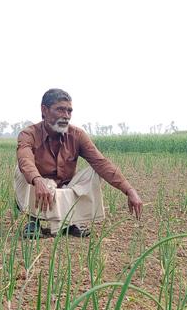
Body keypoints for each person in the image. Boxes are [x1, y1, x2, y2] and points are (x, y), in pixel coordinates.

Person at [15, 88, 144, 238]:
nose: (66, 116)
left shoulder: (77, 135)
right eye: (60, 110)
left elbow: (101, 163)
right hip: (37, 187)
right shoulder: (28, 134)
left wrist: (129, 190)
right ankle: (33, 220)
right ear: (44, 110)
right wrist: (37, 180)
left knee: (94, 172)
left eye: (69, 111)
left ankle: (70, 221)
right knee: (22, 168)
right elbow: (25, 158)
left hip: (64, 187)